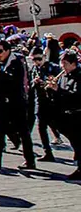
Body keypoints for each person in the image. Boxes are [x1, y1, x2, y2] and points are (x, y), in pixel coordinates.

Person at [0, 40, 36, 171]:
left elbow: (15, 81)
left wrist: (1, 73)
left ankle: (30, 160)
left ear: (7, 50)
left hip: (16, 102)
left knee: (23, 131)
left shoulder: (16, 62)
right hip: (1, 102)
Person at [48, 50, 80, 180]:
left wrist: (59, 90)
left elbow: (76, 97)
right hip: (66, 115)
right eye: (61, 62)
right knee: (75, 143)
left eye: (65, 63)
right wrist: (51, 90)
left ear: (73, 64)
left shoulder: (79, 76)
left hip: (77, 115)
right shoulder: (63, 76)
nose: (62, 66)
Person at [28, 47, 60, 163]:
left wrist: (46, 82)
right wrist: (34, 83)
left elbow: (59, 84)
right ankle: (47, 152)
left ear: (44, 57)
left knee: (60, 125)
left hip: (52, 101)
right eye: (34, 59)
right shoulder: (34, 69)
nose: (36, 62)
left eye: (38, 59)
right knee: (41, 127)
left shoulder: (53, 68)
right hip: (40, 101)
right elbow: (31, 86)